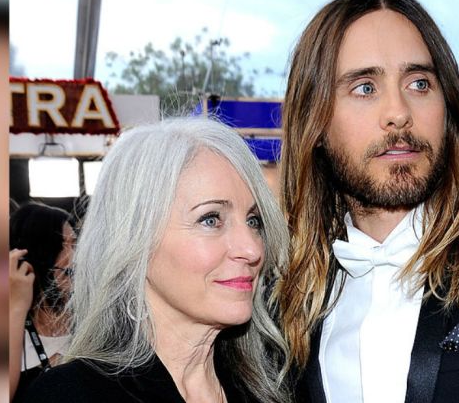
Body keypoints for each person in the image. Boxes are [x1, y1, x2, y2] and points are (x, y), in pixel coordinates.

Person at [275, 0, 459, 403]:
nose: (398, 111)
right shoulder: (288, 300)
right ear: (315, 123)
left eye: (418, 82)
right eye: (365, 87)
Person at [20, 118, 291, 403]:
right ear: (133, 241)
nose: (251, 248)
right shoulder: (70, 397)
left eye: (253, 220)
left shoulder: (274, 384)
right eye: (211, 219)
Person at [9, 202, 75, 400]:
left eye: (75, 244)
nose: (74, 257)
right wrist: (16, 308)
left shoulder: (93, 320)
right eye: (64, 246)